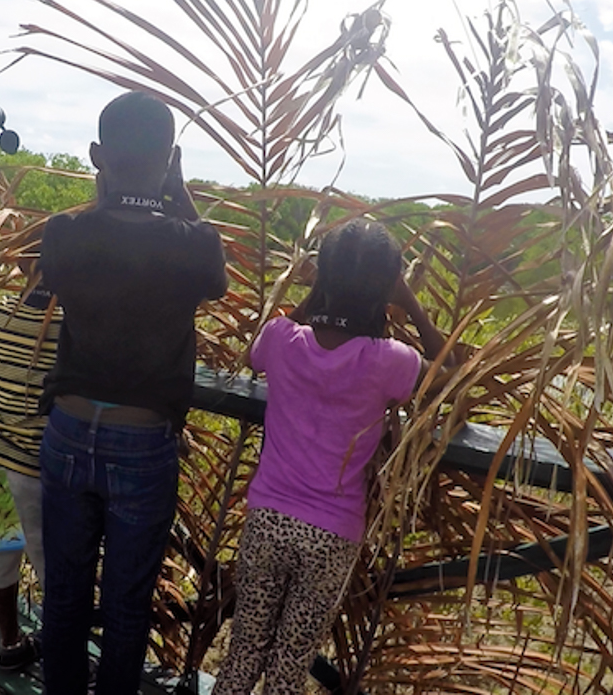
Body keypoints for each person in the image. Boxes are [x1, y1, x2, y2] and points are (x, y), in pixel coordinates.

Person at [36, 91, 228, 695]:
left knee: (64, 595)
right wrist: (175, 188)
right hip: (142, 442)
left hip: (68, 433)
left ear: (97, 156)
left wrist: (116, 192)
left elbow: (92, 241)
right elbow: (215, 278)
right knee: (127, 604)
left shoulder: (63, 234)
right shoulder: (194, 244)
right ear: (169, 160)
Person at [211, 218, 451, 695]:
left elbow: (255, 352)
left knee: (242, 656)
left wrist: (316, 291)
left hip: (267, 519)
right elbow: (452, 373)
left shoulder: (282, 339)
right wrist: (411, 303)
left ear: (323, 277)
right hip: (332, 534)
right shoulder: (389, 360)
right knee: (288, 668)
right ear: (386, 286)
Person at [0, 278, 62, 672]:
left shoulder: (4, 310)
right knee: (53, 566)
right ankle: (63, 657)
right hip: (35, 466)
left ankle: (10, 641)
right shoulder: (69, 321)